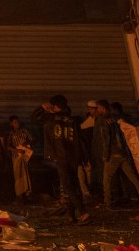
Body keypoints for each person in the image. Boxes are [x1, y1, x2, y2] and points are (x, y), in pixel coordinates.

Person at [33, 94, 91, 225]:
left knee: (68, 186)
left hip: (61, 156)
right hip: (74, 157)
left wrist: (42, 108)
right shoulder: (74, 119)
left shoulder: (51, 118)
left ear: (55, 106)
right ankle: (71, 216)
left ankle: (83, 213)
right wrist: (84, 157)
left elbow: (34, 118)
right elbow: (81, 140)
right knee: (72, 185)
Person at [99, 102, 139, 209]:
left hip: (113, 154)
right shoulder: (120, 120)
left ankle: (107, 202)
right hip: (123, 153)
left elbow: (107, 140)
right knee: (133, 177)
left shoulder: (106, 121)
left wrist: (105, 156)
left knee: (107, 178)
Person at [8, 115, 33, 203]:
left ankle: (28, 193)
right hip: (16, 157)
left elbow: (32, 139)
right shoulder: (11, 133)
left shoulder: (24, 131)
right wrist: (17, 150)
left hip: (25, 156)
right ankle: (20, 194)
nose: (17, 124)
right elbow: (8, 146)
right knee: (18, 175)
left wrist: (26, 144)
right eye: (15, 123)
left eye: (18, 122)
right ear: (11, 124)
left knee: (26, 174)